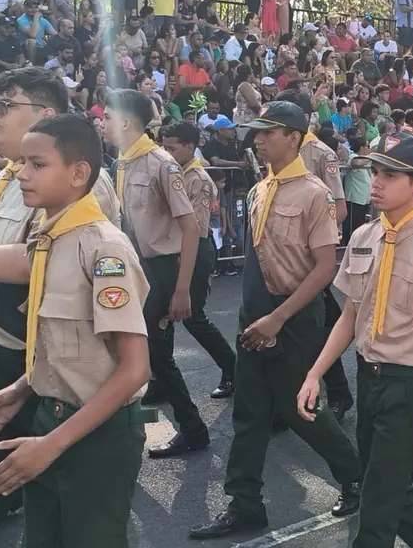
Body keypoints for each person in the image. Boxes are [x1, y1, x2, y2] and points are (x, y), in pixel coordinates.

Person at [0, 114, 152, 547]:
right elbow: (67, 346)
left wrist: (52, 444)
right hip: (48, 417)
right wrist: (22, 388)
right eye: (21, 164)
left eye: (36, 164)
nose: (21, 174)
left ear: (78, 173)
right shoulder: (50, 239)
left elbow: (134, 370)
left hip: (96, 433)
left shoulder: (104, 249)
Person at [189, 102, 362, 539]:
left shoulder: (313, 193)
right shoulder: (258, 189)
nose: (258, 140)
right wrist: (258, 316)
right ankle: (244, 502)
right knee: (248, 413)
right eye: (257, 133)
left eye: (269, 132)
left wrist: (278, 319)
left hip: (294, 315)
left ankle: (356, 477)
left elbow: (325, 268)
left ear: (295, 137)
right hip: (256, 311)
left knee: (301, 409)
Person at [297, 132, 413, 548]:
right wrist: (315, 373)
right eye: (376, 171)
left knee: (375, 506)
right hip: (367, 378)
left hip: (408, 385)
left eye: (391, 174)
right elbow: (350, 316)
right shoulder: (364, 237)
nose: (377, 182)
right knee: (388, 487)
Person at [104, 89, 210, 457]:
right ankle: (171, 418)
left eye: (106, 118)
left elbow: (191, 227)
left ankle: (192, 427)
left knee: (153, 350)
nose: (101, 124)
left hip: (162, 268)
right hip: (135, 266)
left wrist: (183, 289)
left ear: (126, 123)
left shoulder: (160, 163)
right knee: (146, 349)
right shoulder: (122, 162)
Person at [274, 89, 353, 419]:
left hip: (310, 253)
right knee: (312, 326)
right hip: (283, 253)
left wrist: (311, 236)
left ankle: (332, 392)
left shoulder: (320, 153)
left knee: (316, 327)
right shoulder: (277, 151)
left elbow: (341, 208)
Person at [158, 122, 237, 397]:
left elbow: (196, 228)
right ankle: (162, 379)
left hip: (195, 248)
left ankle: (232, 369)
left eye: (172, 147)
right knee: (161, 315)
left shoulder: (199, 180)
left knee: (193, 316)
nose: (166, 153)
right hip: (172, 249)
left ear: (190, 147)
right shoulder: (174, 172)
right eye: (164, 147)